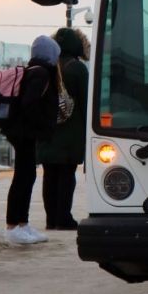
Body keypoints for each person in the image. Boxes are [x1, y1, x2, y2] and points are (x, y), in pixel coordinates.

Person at [3, 35, 60, 244]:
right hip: (24, 133)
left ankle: (22, 224)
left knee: (26, 176)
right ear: (50, 54)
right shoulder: (42, 73)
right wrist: (41, 125)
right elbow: (30, 103)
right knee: (23, 177)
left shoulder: (34, 71)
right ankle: (13, 225)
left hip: (21, 132)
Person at [38, 28, 89, 230]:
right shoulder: (77, 68)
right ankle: (63, 218)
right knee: (66, 177)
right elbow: (86, 104)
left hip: (46, 133)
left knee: (49, 177)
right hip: (70, 136)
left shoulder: (47, 65)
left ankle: (51, 220)